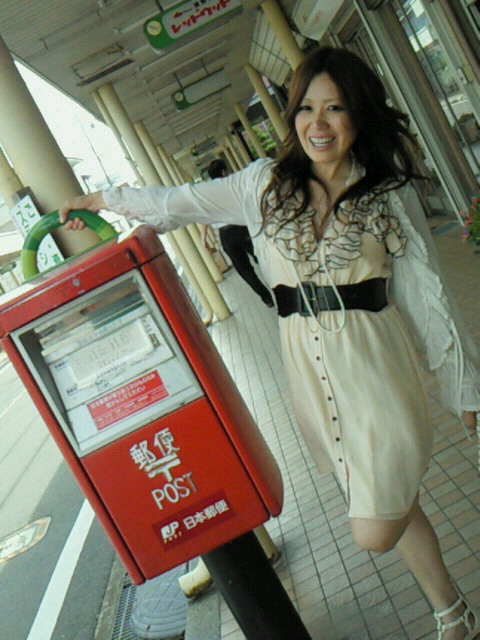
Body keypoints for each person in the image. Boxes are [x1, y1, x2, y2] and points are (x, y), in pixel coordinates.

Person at [59, 47, 479, 639]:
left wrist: (465, 386)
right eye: (306, 108)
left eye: (335, 108)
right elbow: (178, 204)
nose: (318, 123)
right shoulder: (263, 184)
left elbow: (427, 294)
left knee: (375, 525)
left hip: (374, 361)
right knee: (385, 497)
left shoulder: (386, 194)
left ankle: (448, 600)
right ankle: (453, 612)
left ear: (359, 114)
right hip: (308, 370)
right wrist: (105, 200)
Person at [200, 158, 274, 307]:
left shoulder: (207, 194)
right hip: (243, 227)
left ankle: (267, 298)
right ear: (224, 172)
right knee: (263, 258)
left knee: (244, 270)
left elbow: (204, 218)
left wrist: (203, 239)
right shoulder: (234, 184)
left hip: (226, 236)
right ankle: (279, 288)